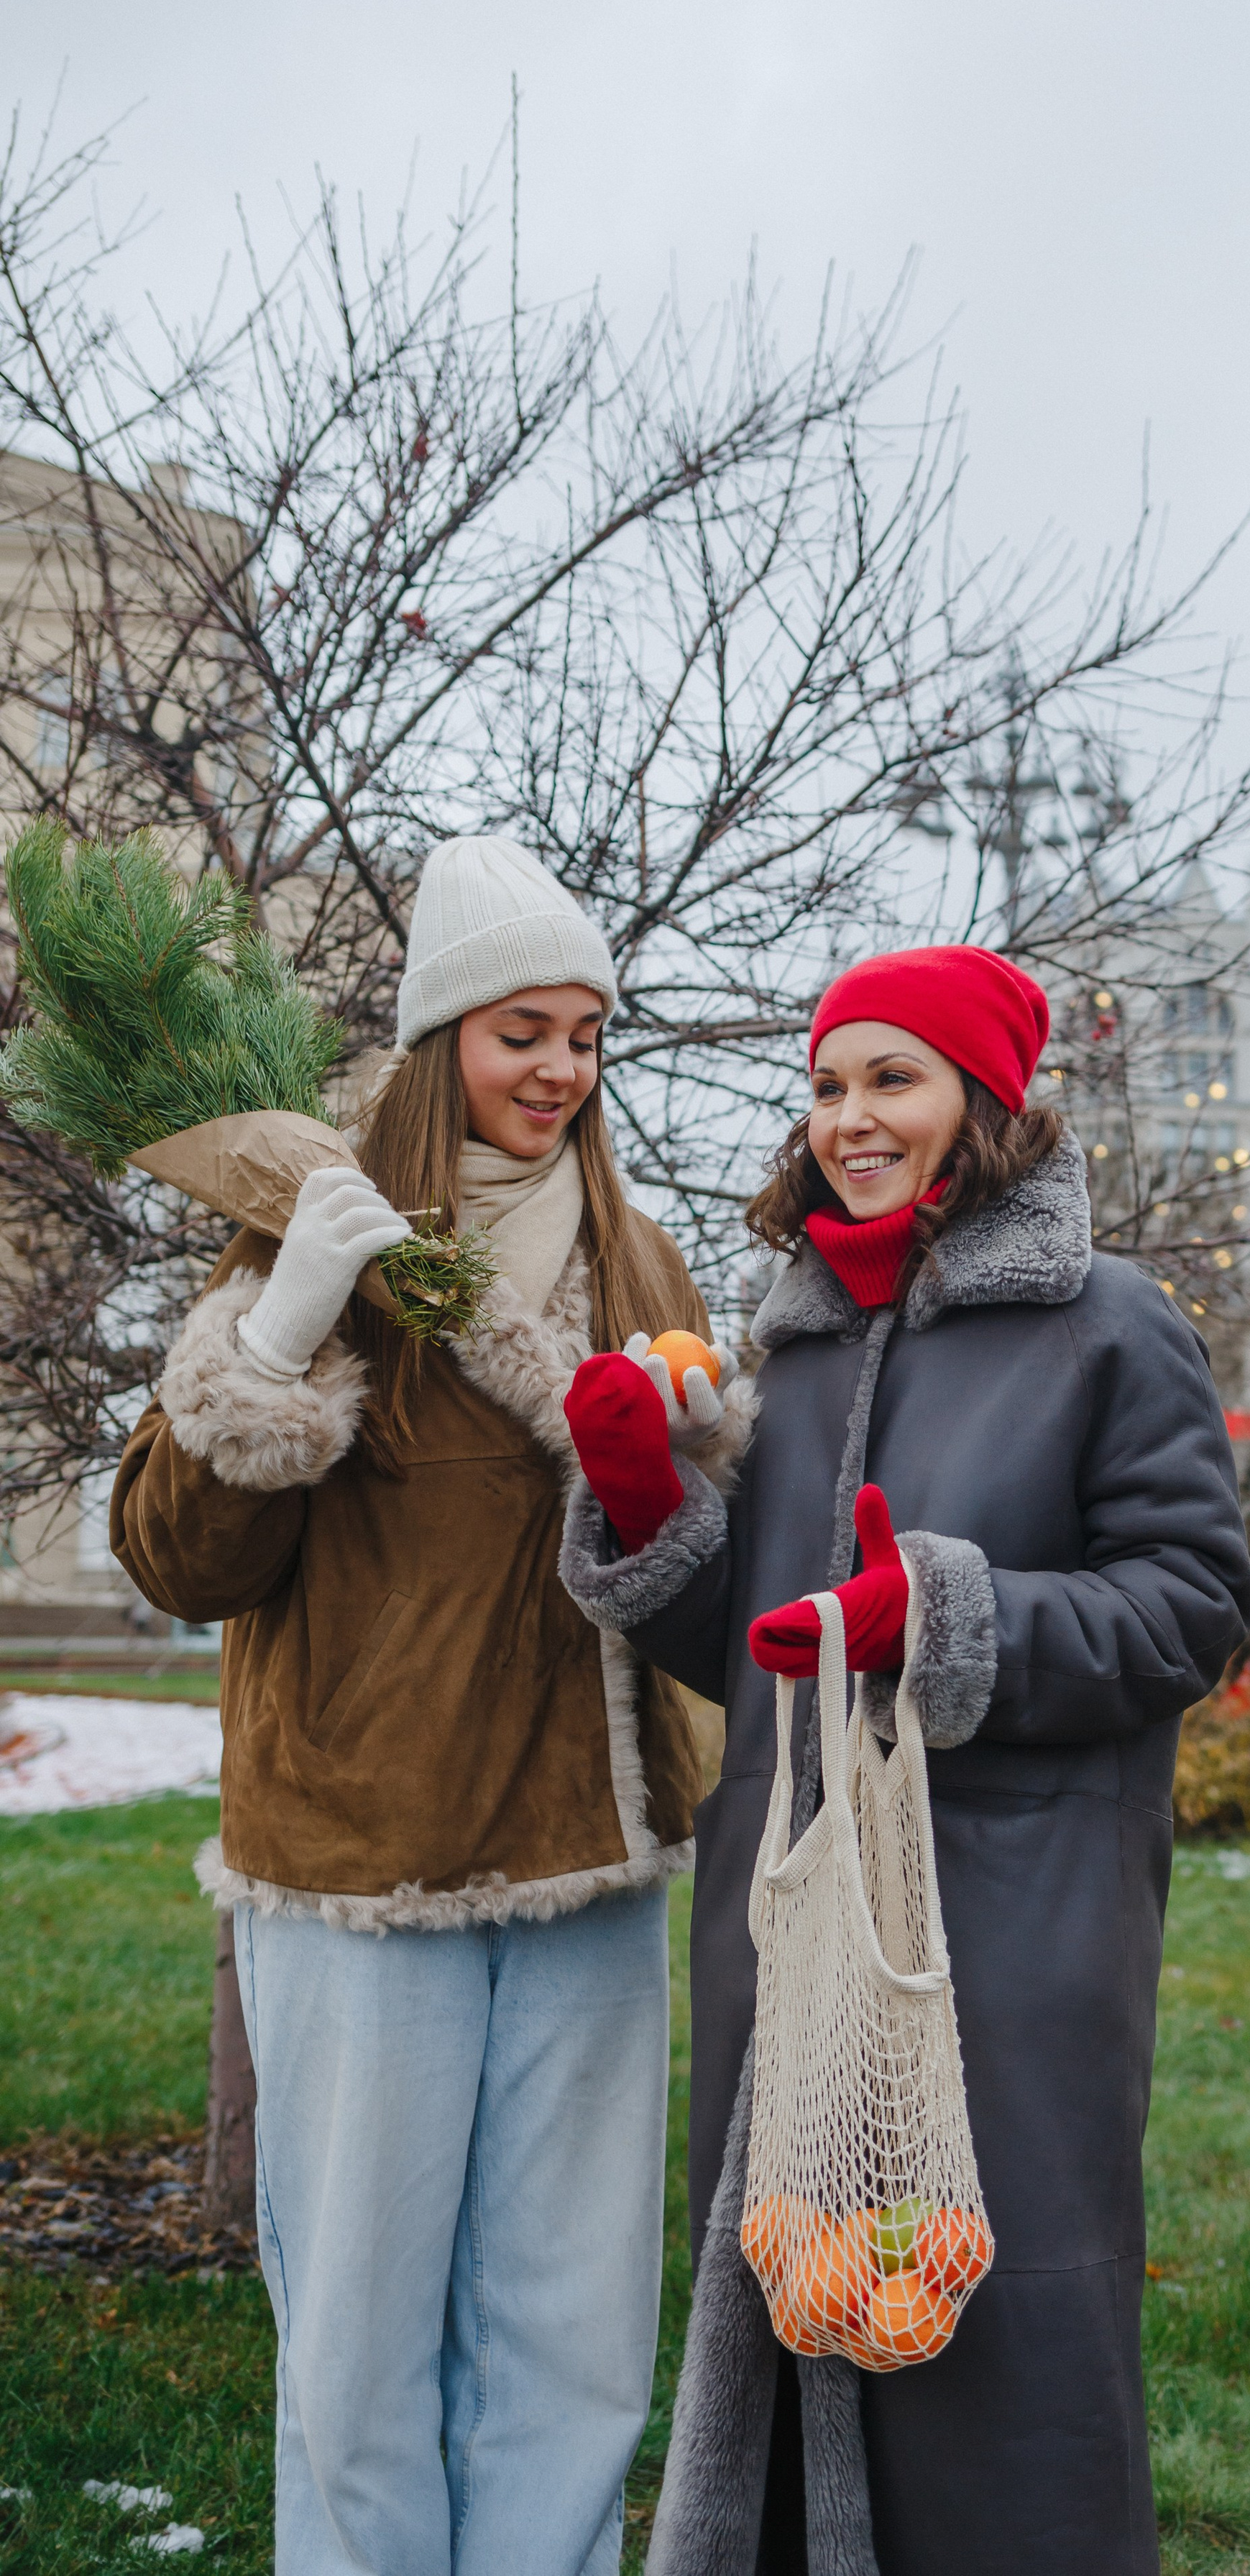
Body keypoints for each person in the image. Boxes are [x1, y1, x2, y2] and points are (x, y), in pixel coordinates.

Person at [561, 943, 1250, 2576]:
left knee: (990, 2321)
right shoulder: (792, 1343)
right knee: (800, 2287)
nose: (849, 1119)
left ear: (984, 1102)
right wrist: (657, 1519)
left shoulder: (1107, 1324)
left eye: (893, 1080)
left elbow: (1189, 1605)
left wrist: (932, 1616)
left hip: (1004, 1920)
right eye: (826, 1086)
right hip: (786, 1911)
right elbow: (761, 1646)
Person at [111, 835, 750, 2576]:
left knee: (571, 2323)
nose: (556, 1072)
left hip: (585, 1849)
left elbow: (700, 1576)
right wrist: (282, 1327)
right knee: (361, 2336)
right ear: (439, 1040)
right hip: (356, 1853)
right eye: (517, 1031)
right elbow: (183, 1562)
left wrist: (685, 1451)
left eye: (586, 1037)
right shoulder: (306, 1236)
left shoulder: (642, 1268)